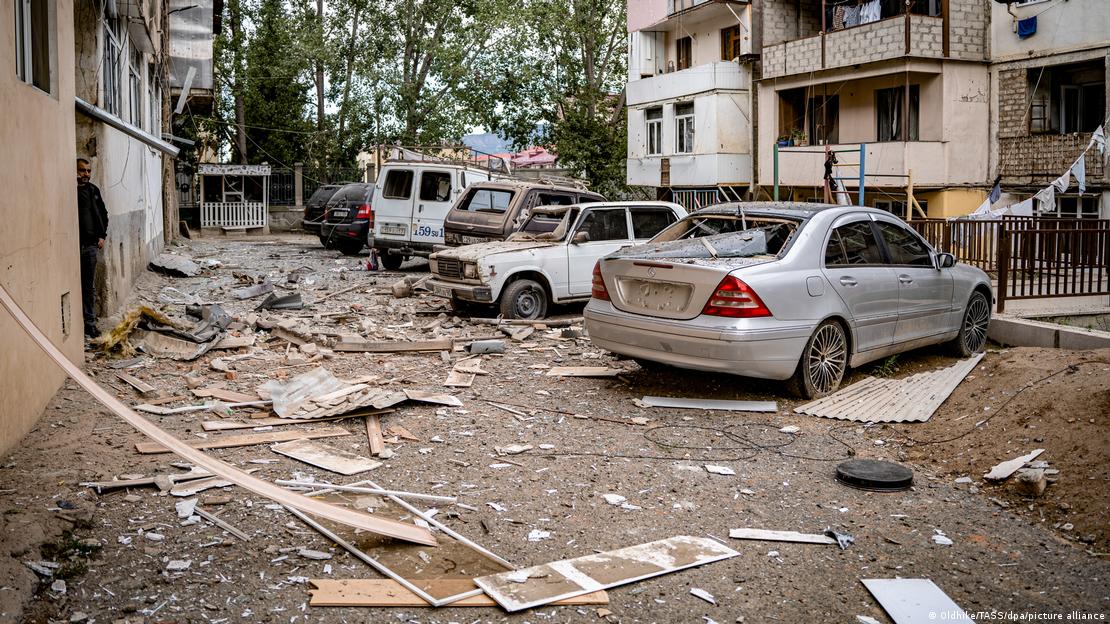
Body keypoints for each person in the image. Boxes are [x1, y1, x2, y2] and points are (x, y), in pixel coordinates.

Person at [76, 158, 108, 339]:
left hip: (89, 246)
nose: (86, 174)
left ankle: (90, 324)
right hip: (72, 246)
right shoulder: (70, 191)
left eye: (88, 171)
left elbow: (104, 213)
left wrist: (102, 235)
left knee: (89, 287)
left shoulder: (93, 190)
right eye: (82, 171)